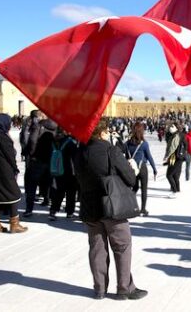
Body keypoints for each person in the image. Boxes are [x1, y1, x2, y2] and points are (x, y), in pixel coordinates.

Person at [75, 121, 147, 300]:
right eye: (107, 131)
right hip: (112, 205)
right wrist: (132, 168)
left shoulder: (79, 152)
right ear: (101, 133)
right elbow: (130, 179)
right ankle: (125, 288)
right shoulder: (111, 150)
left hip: (89, 206)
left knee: (97, 247)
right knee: (122, 246)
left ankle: (99, 288)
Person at [0, 113, 28, 234]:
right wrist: (15, 168)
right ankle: (14, 224)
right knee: (13, 194)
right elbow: (10, 155)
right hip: (4, 171)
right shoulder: (2, 137)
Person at [126, 122, 157, 216]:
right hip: (142, 168)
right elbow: (149, 157)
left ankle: (132, 206)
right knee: (144, 189)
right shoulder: (144, 144)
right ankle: (143, 209)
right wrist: (154, 169)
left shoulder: (128, 143)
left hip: (132, 168)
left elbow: (125, 155)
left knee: (134, 188)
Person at [48, 128, 79, 220]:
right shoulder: (70, 142)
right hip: (69, 171)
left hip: (56, 170)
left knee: (58, 191)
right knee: (71, 192)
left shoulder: (53, 142)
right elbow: (76, 158)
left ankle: (53, 211)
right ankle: (70, 211)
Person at [163, 122, 186, 197]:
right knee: (175, 175)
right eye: (170, 126)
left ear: (176, 127)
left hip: (176, 157)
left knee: (169, 175)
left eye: (172, 126)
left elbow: (172, 147)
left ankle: (174, 191)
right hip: (179, 157)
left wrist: (166, 156)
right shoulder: (179, 134)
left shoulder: (176, 136)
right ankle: (177, 189)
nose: (170, 128)